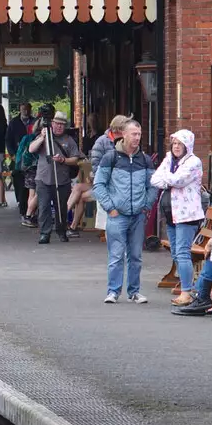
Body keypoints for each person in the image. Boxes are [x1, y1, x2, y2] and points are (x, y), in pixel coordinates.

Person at [92, 117, 156, 303]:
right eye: (134, 134)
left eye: (139, 134)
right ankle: (113, 291)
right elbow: (99, 185)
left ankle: (134, 292)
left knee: (136, 256)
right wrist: (110, 208)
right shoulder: (110, 157)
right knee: (116, 255)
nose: (137, 137)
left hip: (137, 215)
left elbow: (152, 186)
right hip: (117, 214)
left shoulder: (144, 160)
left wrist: (146, 206)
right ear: (124, 134)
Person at [151, 129, 205, 305]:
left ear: (187, 145)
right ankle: (191, 286)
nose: (176, 147)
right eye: (174, 143)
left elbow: (178, 181)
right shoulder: (169, 160)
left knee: (182, 253)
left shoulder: (194, 162)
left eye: (180, 144)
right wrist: (169, 177)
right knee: (176, 253)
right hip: (171, 214)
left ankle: (187, 292)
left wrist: (168, 178)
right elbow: (154, 179)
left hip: (186, 215)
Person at [29, 109, 80, 244]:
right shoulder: (45, 136)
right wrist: (41, 137)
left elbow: (75, 159)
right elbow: (31, 149)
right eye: (56, 123)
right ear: (52, 123)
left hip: (62, 180)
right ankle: (45, 233)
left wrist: (63, 160)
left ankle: (61, 230)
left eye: (62, 124)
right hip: (43, 178)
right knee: (44, 206)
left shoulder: (69, 140)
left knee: (61, 207)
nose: (59, 126)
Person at [6, 102, 36, 223]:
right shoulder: (14, 123)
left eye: (27, 109)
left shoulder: (34, 122)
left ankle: (29, 209)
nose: (25, 112)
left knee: (30, 186)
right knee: (19, 182)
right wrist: (12, 154)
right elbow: (8, 139)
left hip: (30, 158)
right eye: (23, 109)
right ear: (20, 109)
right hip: (18, 158)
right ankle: (21, 204)